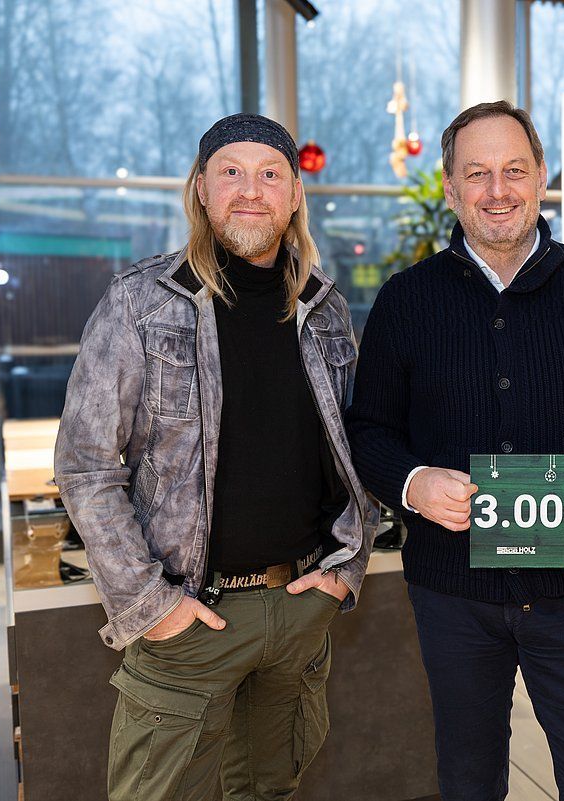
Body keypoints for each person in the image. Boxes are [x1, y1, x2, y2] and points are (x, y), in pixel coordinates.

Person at [346, 100, 564, 801]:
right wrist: (410, 482)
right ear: (450, 187)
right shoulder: (407, 301)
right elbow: (367, 429)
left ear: (542, 175)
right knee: (468, 781)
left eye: (514, 169)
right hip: (450, 592)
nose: (498, 189)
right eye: (478, 173)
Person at [54, 113, 375, 801]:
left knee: (268, 789)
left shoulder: (325, 310)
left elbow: (357, 448)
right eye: (231, 171)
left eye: (270, 174)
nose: (249, 190)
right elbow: (85, 464)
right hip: (188, 617)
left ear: (294, 195)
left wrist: (346, 565)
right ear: (201, 188)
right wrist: (149, 602)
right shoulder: (139, 302)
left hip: (297, 611)